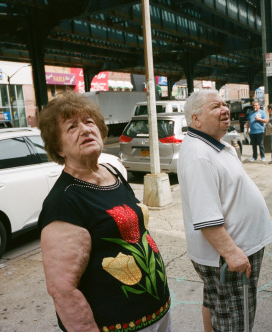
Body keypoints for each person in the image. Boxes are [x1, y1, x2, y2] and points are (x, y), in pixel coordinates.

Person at [37, 92, 171, 332]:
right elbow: (63, 290)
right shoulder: (65, 201)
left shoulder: (113, 173)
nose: (85, 129)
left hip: (157, 314)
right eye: (71, 127)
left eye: (89, 122)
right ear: (58, 148)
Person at [177, 90, 272, 332]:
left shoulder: (215, 145)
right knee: (234, 319)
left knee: (215, 303)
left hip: (232, 251)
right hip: (229, 255)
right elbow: (206, 218)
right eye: (215, 107)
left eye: (224, 104)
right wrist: (232, 253)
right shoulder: (200, 156)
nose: (225, 110)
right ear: (196, 119)